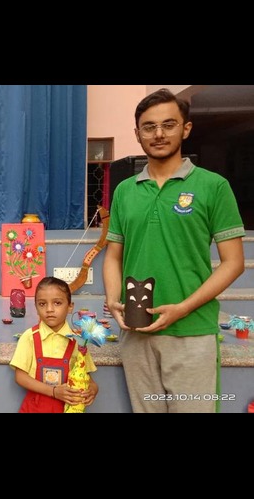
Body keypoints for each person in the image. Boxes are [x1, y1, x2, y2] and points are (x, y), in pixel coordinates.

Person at [103, 88, 245, 413]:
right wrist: (113, 299)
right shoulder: (124, 191)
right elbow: (113, 256)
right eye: (149, 127)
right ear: (137, 134)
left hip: (192, 332)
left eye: (168, 124)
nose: (158, 134)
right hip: (136, 331)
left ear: (186, 128)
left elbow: (234, 263)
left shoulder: (213, 186)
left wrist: (182, 308)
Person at [10, 276, 98, 413]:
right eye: (42, 304)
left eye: (57, 303)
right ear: (36, 307)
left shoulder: (78, 341)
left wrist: (93, 388)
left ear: (70, 307)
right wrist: (53, 391)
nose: (49, 309)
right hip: (35, 408)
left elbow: (84, 374)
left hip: (66, 408)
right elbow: (20, 377)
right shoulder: (29, 337)